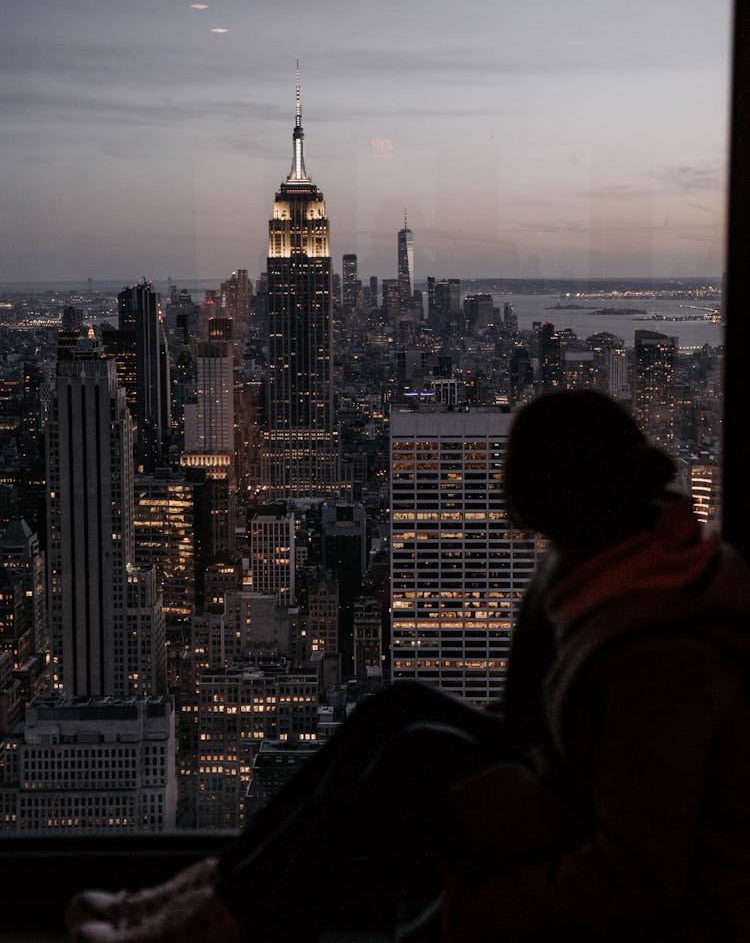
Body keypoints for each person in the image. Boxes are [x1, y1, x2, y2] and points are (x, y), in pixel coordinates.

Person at [67, 391, 750, 942]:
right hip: (564, 786)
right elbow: (524, 720)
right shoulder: (618, 555)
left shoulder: (663, 659)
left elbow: (634, 880)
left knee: (412, 755)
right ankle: (209, 892)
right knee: (395, 706)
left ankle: (227, 926)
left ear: (566, 497)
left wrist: (471, 912)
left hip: (628, 860)